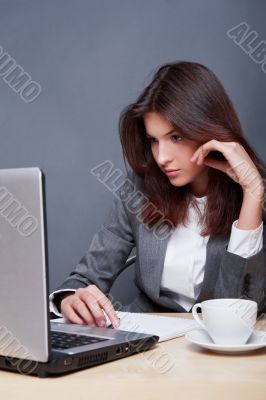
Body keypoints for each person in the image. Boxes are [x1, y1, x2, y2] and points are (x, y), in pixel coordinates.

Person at [50, 61, 266, 329]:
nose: (162, 157)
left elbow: (240, 312)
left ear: (208, 130)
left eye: (175, 137)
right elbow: (85, 278)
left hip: (218, 349)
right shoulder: (140, 188)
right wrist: (71, 298)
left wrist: (253, 193)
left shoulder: (254, 194)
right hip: (146, 341)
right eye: (154, 140)